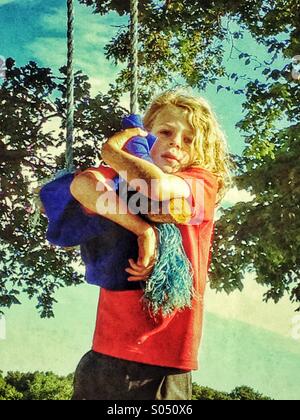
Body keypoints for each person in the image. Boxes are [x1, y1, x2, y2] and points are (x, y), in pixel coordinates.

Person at [70, 90, 232, 400]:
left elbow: (156, 188)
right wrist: (142, 229)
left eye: (188, 140)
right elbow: (82, 186)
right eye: (166, 132)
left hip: (163, 363)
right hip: (106, 352)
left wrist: (112, 152)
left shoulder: (199, 183)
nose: (176, 143)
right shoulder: (120, 181)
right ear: (145, 135)